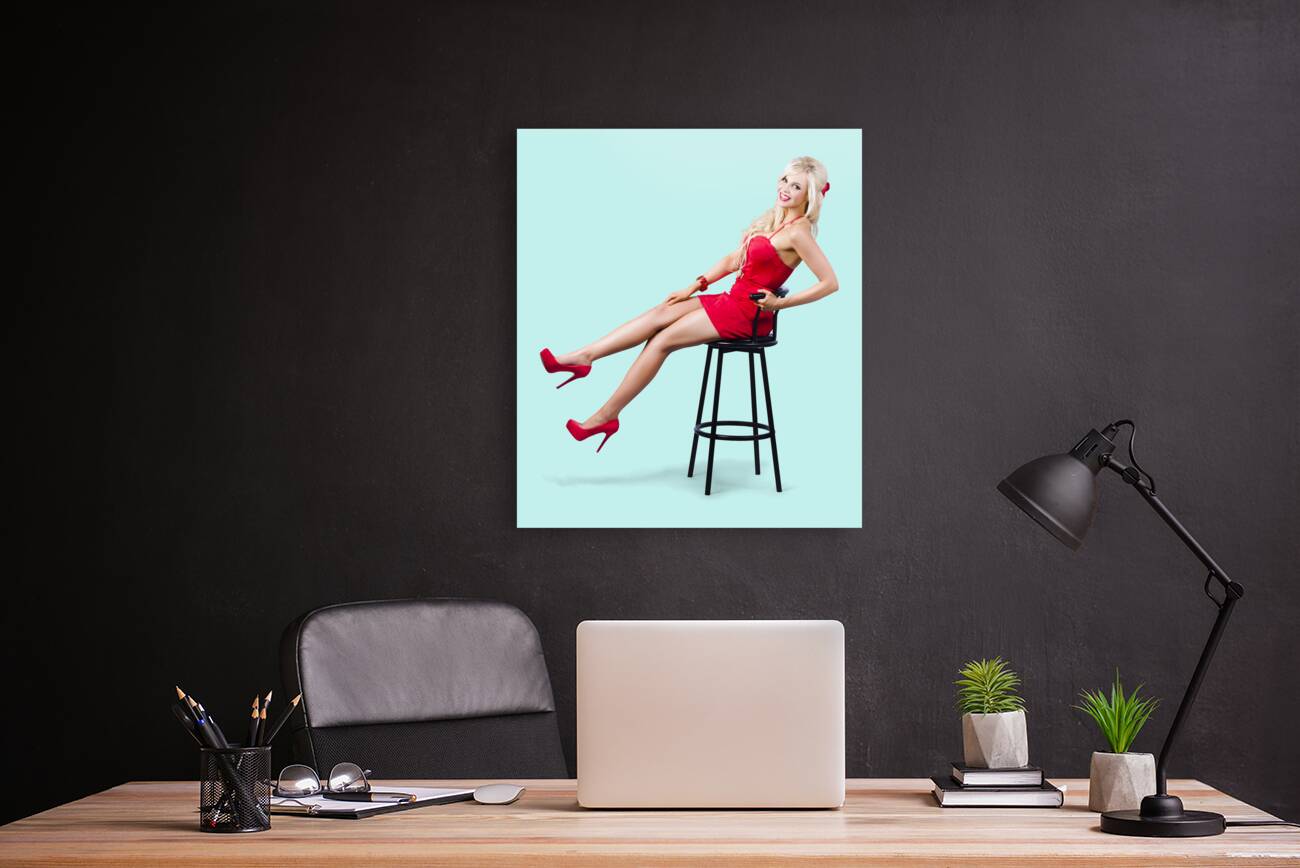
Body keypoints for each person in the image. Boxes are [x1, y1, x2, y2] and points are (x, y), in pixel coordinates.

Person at [539, 155, 839, 453]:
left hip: (748, 313)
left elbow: (830, 283)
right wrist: (695, 285)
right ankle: (584, 357)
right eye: (785, 180)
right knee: (662, 312)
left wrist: (778, 304)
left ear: (809, 196)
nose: (785, 189)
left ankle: (606, 417)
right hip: (730, 300)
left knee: (662, 340)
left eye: (796, 186)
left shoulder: (798, 232)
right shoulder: (774, 220)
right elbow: (733, 260)